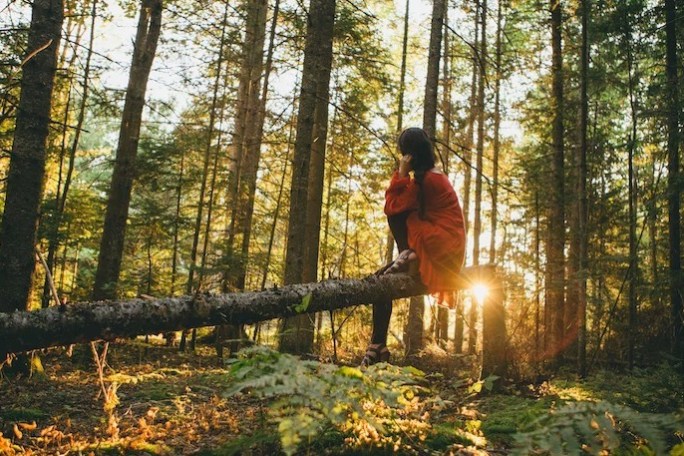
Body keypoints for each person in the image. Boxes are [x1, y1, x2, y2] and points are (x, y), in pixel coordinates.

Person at [361, 127, 466, 366]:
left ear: (410, 154)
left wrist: (401, 172)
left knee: (397, 216)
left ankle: (377, 346)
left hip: (439, 248)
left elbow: (392, 206)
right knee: (380, 279)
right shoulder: (430, 177)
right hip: (441, 246)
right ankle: (378, 346)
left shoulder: (427, 181)